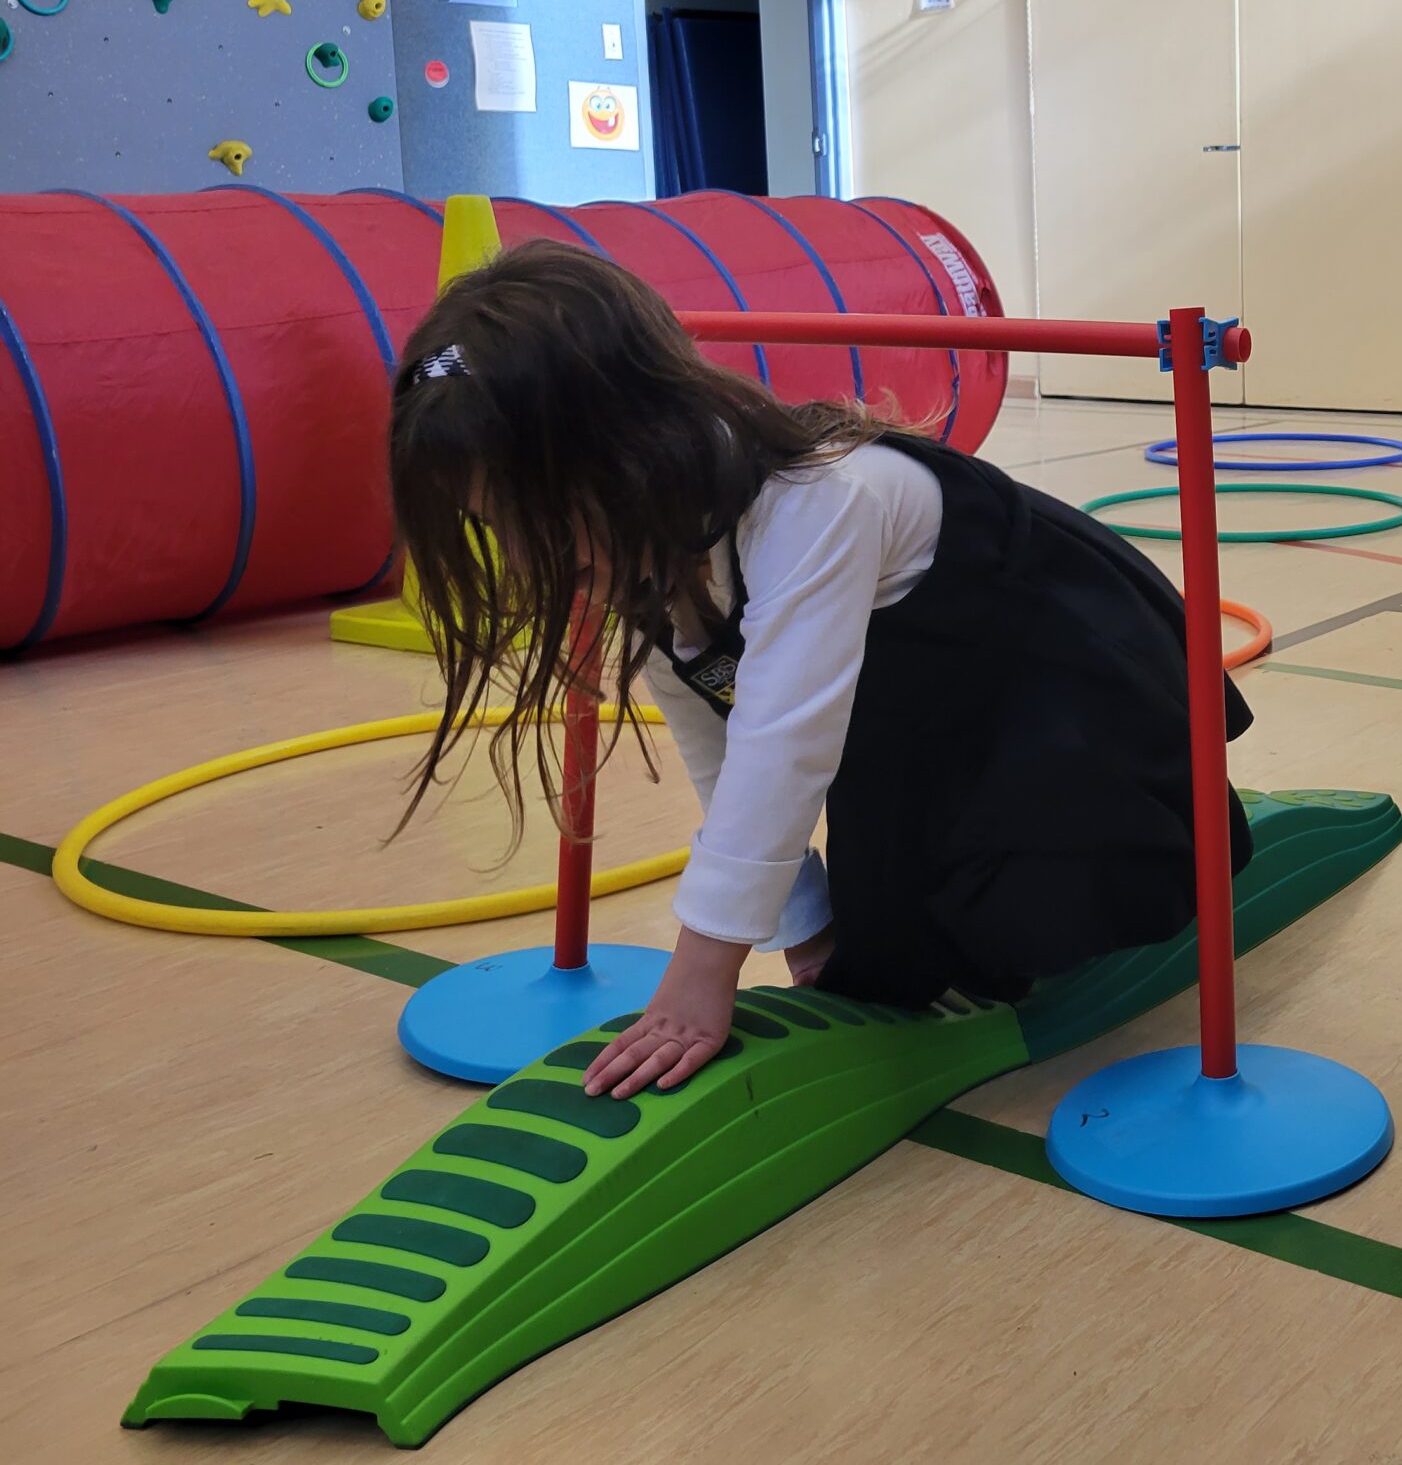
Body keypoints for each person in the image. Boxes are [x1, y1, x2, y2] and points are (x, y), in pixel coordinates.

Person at [386, 243, 1250, 1099]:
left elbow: (782, 745)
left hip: (1067, 685)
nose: (522, 555)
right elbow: (717, 748)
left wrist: (699, 977)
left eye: (533, 517)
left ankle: (1168, 835)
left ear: (631, 448)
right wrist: (805, 932)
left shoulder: (816, 501)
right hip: (925, 713)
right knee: (885, 955)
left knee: (1026, 917)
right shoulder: (639, 551)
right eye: (492, 525)